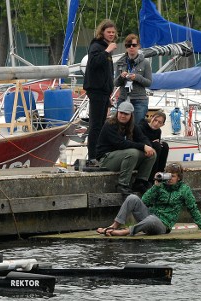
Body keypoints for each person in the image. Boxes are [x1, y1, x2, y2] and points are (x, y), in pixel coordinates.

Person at [96, 163, 201, 236]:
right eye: (168, 175)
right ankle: (114, 226)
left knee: (152, 219)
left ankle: (126, 232)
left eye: (173, 176)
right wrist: (156, 186)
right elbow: (144, 201)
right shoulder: (160, 186)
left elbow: (193, 209)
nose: (169, 179)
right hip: (149, 216)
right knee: (132, 198)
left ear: (179, 178)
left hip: (163, 225)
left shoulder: (184, 190)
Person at [96, 101, 156, 195]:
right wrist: (143, 146)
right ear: (117, 112)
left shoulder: (132, 126)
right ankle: (122, 185)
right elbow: (120, 144)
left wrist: (148, 147)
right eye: (121, 113)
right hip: (106, 159)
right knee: (132, 153)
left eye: (126, 114)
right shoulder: (110, 124)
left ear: (131, 115)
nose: (123, 116)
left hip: (122, 158)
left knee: (152, 154)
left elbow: (142, 138)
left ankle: (140, 182)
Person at [84, 19, 117, 166]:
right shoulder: (97, 46)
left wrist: (109, 93)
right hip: (96, 91)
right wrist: (107, 51)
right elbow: (94, 63)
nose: (111, 34)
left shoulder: (104, 47)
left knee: (101, 125)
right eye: (108, 32)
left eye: (113, 32)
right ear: (102, 32)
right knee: (96, 125)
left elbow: (107, 73)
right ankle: (92, 156)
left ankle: (98, 153)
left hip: (104, 92)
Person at [114, 34, 152, 125]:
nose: (131, 47)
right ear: (126, 47)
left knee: (137, 126)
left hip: (139, 99)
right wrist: (121, 77)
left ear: (138, 46)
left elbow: (149, 83)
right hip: (123, 99)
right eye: (128, 45)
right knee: (121, 126)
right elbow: (115, 83)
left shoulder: (145, 63)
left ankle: (135, 140)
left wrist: (137, 77)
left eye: (134, 45)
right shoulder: (120, 62)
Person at [140, 112, 169, 183]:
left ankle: (160, 173)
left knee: (164, 146)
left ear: (162, 125)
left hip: (153, 148)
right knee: (157, 146)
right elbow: (139, 140)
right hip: (143, 149)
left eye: (159, 122)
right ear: (151, 118)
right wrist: (152, 143)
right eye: (155, 120)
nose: (156, 124)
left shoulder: (158, 131)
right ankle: (152, 177)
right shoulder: (142, 126)